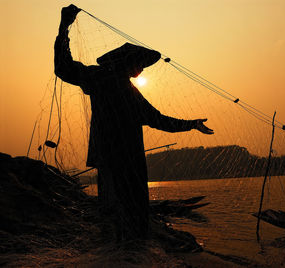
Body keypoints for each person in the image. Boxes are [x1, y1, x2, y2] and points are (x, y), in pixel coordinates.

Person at [54, 5, 214, 240]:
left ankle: (115, 246)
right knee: (131, 206)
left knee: (112, 205)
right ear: (127, 63)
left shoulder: (98, 78)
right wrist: (191, 124)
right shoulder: (123, 88)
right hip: (127, 156)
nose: (140, 70)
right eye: (138, 64)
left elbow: (63, 67)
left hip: (106, 153)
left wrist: (64, 26)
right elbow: (158, 119)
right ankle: (129, 248)